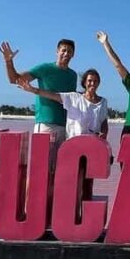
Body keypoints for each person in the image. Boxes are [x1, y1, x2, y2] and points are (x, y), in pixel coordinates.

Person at [16, 69, 108, 203]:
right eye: (89, 81)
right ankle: (64, 211)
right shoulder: (74, 98)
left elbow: (104, 121)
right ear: (84, 83)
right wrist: (33, 90)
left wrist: (104, 133)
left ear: (98, 83)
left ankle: (85, 217)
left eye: (95, 81)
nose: (92, 83)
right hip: (73, 146)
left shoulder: (103, 102)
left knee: (87, 183)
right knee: (72, 180)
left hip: (92, 148)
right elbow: (53, 95)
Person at [0, 39, 77, 150]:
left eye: (69, 51)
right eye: (63, 50)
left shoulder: (73, 75)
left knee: (60, 166)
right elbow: (14, 79)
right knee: (42, 165)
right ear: (57, 51)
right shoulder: (44, 68)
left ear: (73, 54)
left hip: (66, 127)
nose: (66, 54)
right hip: (46, 124)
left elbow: (71, 101)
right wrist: (8, 61)